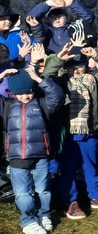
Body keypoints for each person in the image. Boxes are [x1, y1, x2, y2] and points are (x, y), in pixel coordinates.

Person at [41, 42, 98, 219]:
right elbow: (46, 75)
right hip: (69, 133)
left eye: (81, 66)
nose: (77, 70)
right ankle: (71, 201)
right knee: (67, 168)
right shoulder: (61, 82)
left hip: (90, 130)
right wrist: (58, 60)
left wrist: (96, 55)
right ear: (67, 68)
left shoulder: (94, 80)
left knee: (90, 165)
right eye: (73, 67)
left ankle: (96, 195)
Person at [1, 66, 63, 234]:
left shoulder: (42, 103)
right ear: (12, 93)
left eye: (28, 92)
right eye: (20, 93)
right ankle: (28, 219)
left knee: (42, 189)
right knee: (22, 193)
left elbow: (57, 95)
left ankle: (44, 214)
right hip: (16, 158)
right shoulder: (7, 105)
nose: (25, 96)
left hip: (41, 155)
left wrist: (37, 78)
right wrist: (1, 76)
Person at [28, 0, 95, 53]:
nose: (57, 19)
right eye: (53, 17)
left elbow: (89, 17)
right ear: (48, 20)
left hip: (73, 60)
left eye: (60, 16)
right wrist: (48, 3)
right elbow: (30, 18)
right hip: (52, 60)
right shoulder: (45, 29)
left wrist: (71, 3)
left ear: (67, 18)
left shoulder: (75, 28)